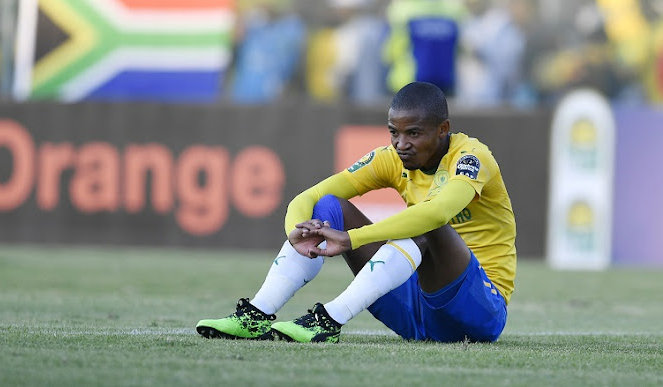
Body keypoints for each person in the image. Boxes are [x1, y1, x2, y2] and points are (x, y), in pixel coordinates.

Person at [196, 81, 516, 343]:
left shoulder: (472, 157)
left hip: (480, 312)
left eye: (413, 133)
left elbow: (436, 214)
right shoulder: (390, 158)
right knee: (327, 208)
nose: (401, 143)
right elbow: (311, 196)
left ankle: (329, 320)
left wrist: (352, 238)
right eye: (394, 132)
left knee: (426, 224)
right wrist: (296, 229)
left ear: (443, 129)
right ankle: (256, 314)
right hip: (414, 312)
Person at [384, 0, 466, 96]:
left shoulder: (402, 9)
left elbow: (391, 51)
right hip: (445, 82)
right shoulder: (453, 9)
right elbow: (461, 47)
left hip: (407, 84)